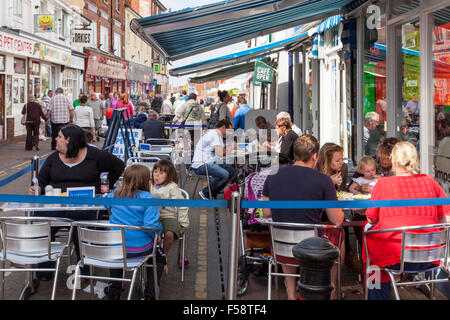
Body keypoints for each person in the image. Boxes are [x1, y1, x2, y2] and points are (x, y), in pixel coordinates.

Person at [29, 124, 125, 281]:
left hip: (86, 203)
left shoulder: (94, 155)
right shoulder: (53, 158)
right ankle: (44, 268)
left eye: (59, 136)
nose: (55, 139)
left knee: (80, 221)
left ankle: (84, 268)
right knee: (41, 219)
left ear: (69, 140)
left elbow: (118, 166)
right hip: (57, 204)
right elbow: (40, 181)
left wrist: (103, 189)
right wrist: (36, 190)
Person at [363, 141, 450, 300]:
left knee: (371, 250)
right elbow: (446, 217)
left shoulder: (383, 184)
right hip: (430, 256)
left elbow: (371, 218)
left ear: (394, 161)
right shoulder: (429, 181)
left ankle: (376, 296)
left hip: (395, 258)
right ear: (415, 160)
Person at [262, 134, 344, 300]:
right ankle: (332, 290)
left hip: (281, 247)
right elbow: (337, 220)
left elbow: (266, 213)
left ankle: (292, 295)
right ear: (314, 156)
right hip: (312, 250)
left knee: (287, 234)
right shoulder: (323, 180)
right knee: (338, 239)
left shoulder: (273, 175)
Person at [103, 164, 164, 300]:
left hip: (115, 249)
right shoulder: (148, 198)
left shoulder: (115, 195)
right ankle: (151, 293)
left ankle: (114, 288)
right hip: (139, 250)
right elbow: (150, 226)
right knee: (159, 257)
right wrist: (158, 232)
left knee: (117, 250)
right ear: (145, 181)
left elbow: (105, 203)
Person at [150, 159, 189, 273]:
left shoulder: (172, 187)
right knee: (147, 232)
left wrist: (183, 223)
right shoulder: (150, 184)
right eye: (155, 172)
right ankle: (152, 257)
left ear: (169, 175)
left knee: (169, 234)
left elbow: (182, 205)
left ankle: (164, 256)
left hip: (168, 216)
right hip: (152, 216)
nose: (157, 175)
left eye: (161, 173)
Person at [192, 119, 237, 200]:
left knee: (232, 171)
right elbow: (220, 153)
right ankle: (205, 193)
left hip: (210, 161)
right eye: (229, 131)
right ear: (223, 127)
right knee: (224, 174)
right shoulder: (214, 135)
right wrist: (231, 147)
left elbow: (220, 153)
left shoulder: (217, 135)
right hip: (201, 164)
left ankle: (214, 190)